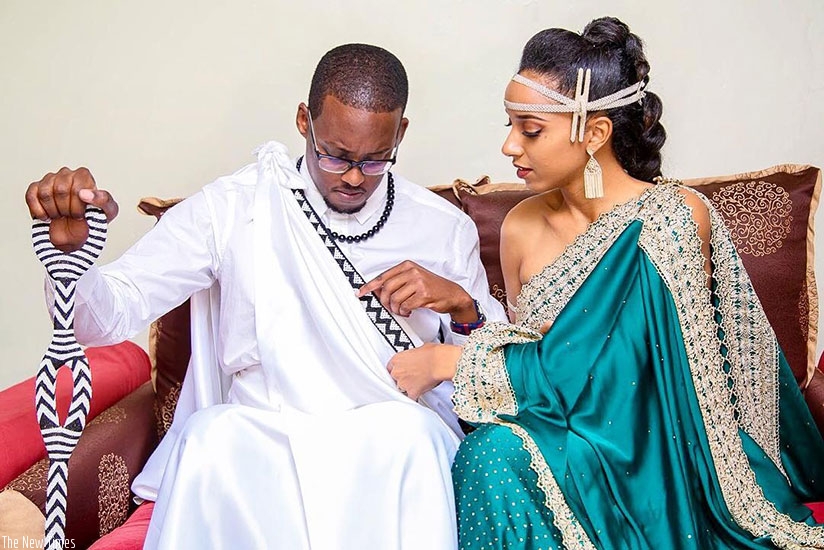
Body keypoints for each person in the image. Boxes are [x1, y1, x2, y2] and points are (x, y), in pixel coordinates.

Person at [25, 43, 506, 549]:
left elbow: (498, 373)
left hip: (388, 436)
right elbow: (102, 318)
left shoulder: (442, 227)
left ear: (400, 134)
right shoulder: (234, 206)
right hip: (261, 432)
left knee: (418, 438)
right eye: (335, 155)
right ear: (304, 121)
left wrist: (464, 306)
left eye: (374, 161)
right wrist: (73, 258)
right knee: (210, 437)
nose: (350, 177)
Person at [386, 17, 824, 549]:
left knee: (493, 455)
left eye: (530, 129)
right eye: (509, 124)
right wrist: (465, 315)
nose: (508, 147)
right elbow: (539, 369)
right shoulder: (520, 227)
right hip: (569, 438)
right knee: (491, 453)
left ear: (594, 133)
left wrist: (448, 362)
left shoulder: (674, 218)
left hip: (657, 445)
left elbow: (620, 365)